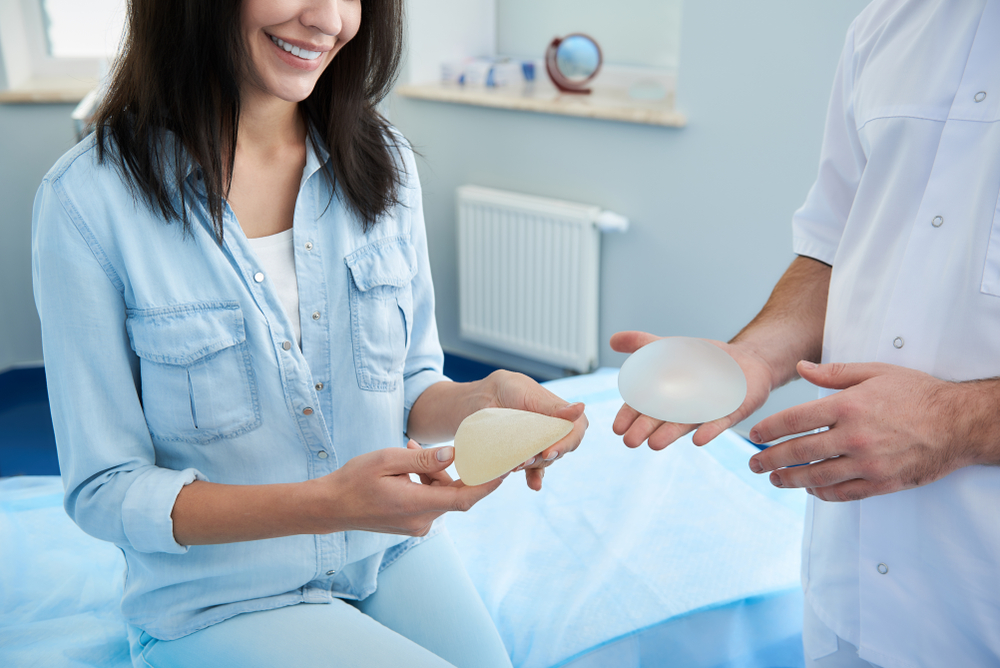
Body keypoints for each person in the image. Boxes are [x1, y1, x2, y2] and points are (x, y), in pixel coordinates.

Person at [31, 1, 587, 666]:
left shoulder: (386, 163)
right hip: (222, 596)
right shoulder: (88, 202)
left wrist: (485, 401)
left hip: (385, 551)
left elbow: (409, 383)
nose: (329, 18)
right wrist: (327, 505)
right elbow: (106, 489)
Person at [611, 1, 1000, 666]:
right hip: (847, 598)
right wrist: (755, 356)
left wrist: (960, 423)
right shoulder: (888, 22)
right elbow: (833, 246)